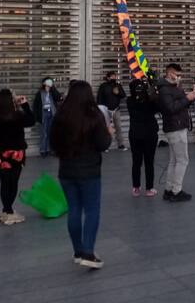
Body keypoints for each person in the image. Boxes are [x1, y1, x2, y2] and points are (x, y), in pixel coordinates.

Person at [50, 80, 113, 268]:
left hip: (66, 171)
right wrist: (109, 133)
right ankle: (88, 252)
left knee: (74, 210)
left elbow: (53, 144)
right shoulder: (94, 116)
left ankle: (78, 251)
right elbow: (103, 144)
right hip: (89, 171)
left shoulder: (61, 115)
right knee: (92, 210)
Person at [0, 89, 35, 225]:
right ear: (11, 101)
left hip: (0, 154)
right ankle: (9, 211)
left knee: (4, 183)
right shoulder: (17, 116)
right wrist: (24, 105)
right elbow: (31, 120)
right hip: (16, 154)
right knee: (13, 183)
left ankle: (6, 209)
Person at [157, 63, 195, 202]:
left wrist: (189, 98)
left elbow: (180, 104)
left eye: (180, 75)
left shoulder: (174, 87)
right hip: (175, 127)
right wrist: (187, 99)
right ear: (170, 73)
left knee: (174, 160)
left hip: (177, 126)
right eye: (177, 74)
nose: (179, 77)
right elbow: (171, 108)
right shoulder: (165, 89)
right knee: (182, 160)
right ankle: (176, 191)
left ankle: (169, 189)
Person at [127, 77, 160, 197]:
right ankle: (149, 188)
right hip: (149, 134)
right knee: (149, 162)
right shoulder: (149, 100)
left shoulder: (129, 100)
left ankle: (136, 188)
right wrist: (152, 89)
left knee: (136, 162)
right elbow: (158, 106)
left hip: (135, 134)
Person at [33, 77, 63, 157]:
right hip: (43, 113)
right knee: (44, 133)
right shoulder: (40, 93)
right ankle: (43, 150)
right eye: (47, 84)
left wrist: (53, 89)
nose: (48, 86)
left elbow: (59, 98)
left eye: (50, 84)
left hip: (52, 113)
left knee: (51, 132)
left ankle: (51, 150)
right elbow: (35, 106)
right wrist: (36, 117)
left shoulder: (53, 92)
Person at [97, 71, 127, 150]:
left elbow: (123, 95)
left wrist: (118, 93)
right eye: (112, 76)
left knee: (118, 127)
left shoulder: (118, 85)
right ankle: (105, 145)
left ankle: (120, 144)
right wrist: (100, 109)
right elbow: (99, 98)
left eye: (114, 76)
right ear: (108, 77)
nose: (114, 77)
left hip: (116, 110)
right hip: (106, 110)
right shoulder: (103, 86)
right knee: (106, 128)